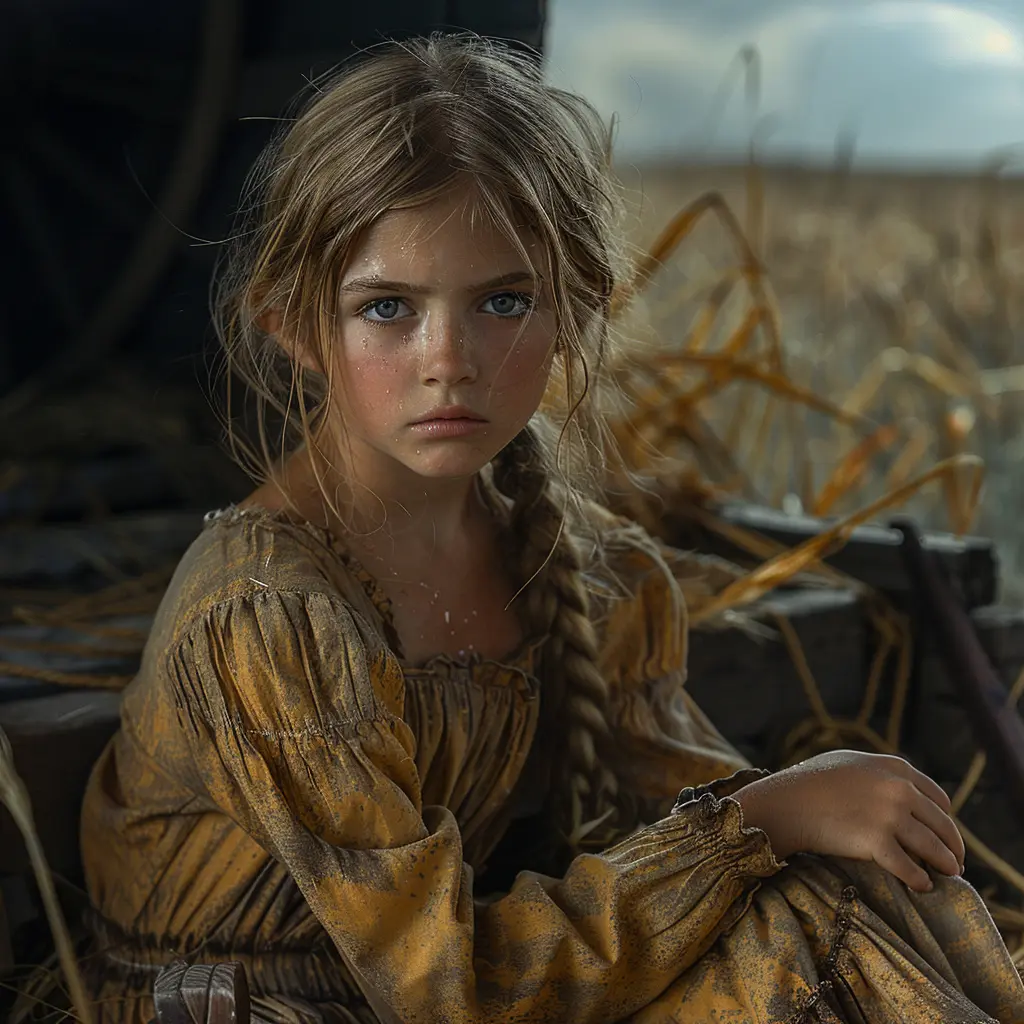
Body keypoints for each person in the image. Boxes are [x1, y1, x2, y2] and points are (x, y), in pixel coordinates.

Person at [54, 33, 1024, 1024]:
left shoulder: (575, 573)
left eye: (504, 300)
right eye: (386, 307)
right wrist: (758, 816)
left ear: (577, 309)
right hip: (261, 1007)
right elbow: (449, 987)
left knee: (812, 911)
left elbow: (705, 827)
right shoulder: (266, 618)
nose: (450, 359)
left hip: (438, 992)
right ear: (293, 325)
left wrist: (795, 819)